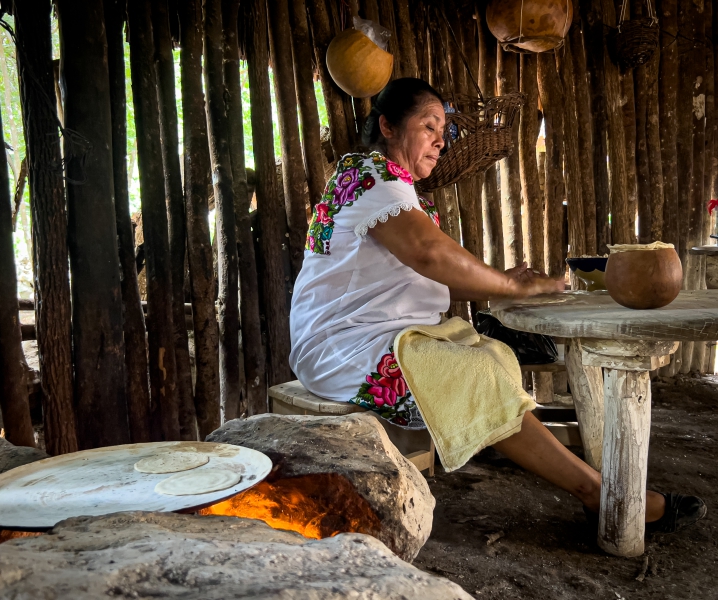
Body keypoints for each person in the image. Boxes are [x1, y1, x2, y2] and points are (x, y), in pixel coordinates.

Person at [289, 77, 705, 534]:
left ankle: (580, 474)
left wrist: (510, 284)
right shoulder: (368, 175)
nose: (440, 139)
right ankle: (599, 493)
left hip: (382, 338)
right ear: (387, 125)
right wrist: (512, 287)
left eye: (443, 129)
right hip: (343, 348)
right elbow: (432, 256)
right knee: (476, 374)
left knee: (495, 356)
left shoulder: (394, 188)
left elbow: (439, 275)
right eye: (429, 125)